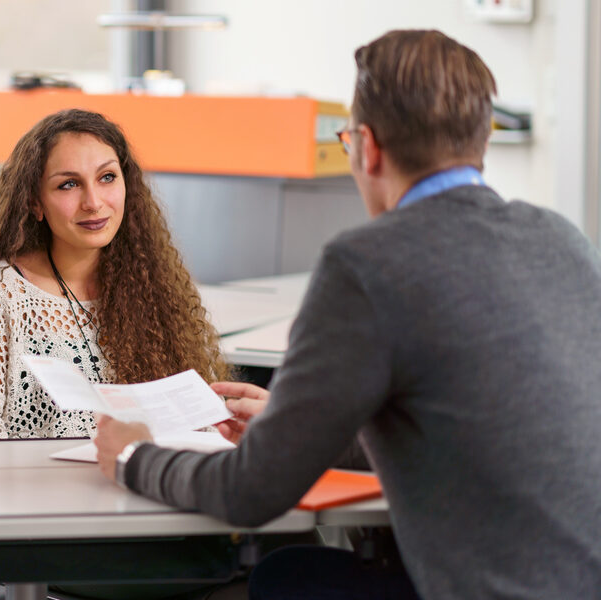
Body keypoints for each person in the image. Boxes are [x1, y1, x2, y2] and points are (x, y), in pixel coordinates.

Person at [95, 29, 601, 599]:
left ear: (367, 146)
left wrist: (135, 456)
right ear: (480, 141)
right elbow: (465, 431)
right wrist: (301, 429)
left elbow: (251, 493)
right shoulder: (564, 241)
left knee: (284, 579)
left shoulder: (367, 264)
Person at [0, 108, 229, 440]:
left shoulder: (154, 287)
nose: (93, 202)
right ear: (35, 203)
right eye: (68, 185)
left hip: (141, 482)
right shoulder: (2, 293)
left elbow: (203, 425)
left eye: (107, 177)